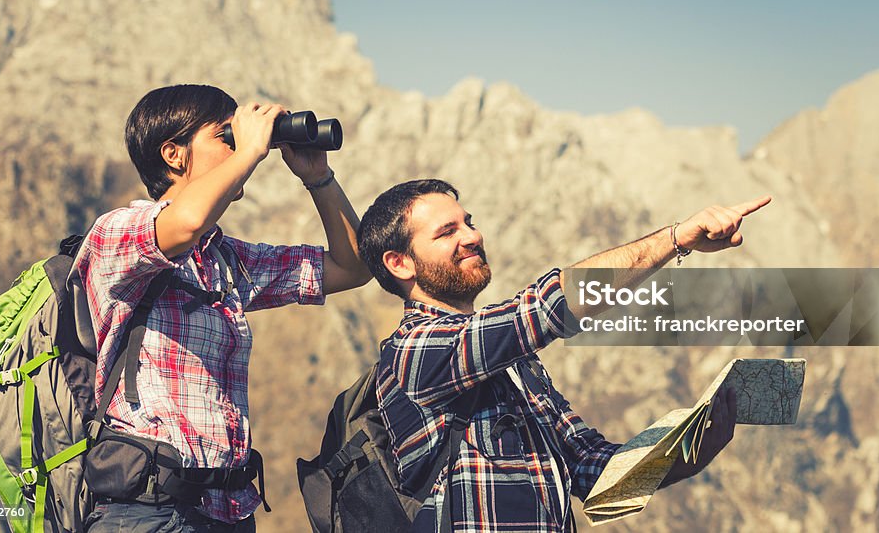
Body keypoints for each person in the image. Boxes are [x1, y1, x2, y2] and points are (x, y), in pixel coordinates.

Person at [356, 179, 771, 531]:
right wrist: (675, 240)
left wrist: (685, 452)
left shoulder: (513, 361)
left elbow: (588, 465)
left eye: (470, 223)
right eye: (447, 232)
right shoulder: (414, 350)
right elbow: (545, 308)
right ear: (400, 264)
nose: (472, 236)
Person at [70, 85, 371, 532]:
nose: (240, 148)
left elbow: (352, 267)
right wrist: (248, 151)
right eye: (224, 135)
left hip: (228, 510)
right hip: (146, 512)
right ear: (174, 155)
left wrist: (317, 177)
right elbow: (185, 221)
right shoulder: (117, 233)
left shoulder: (227, 261)